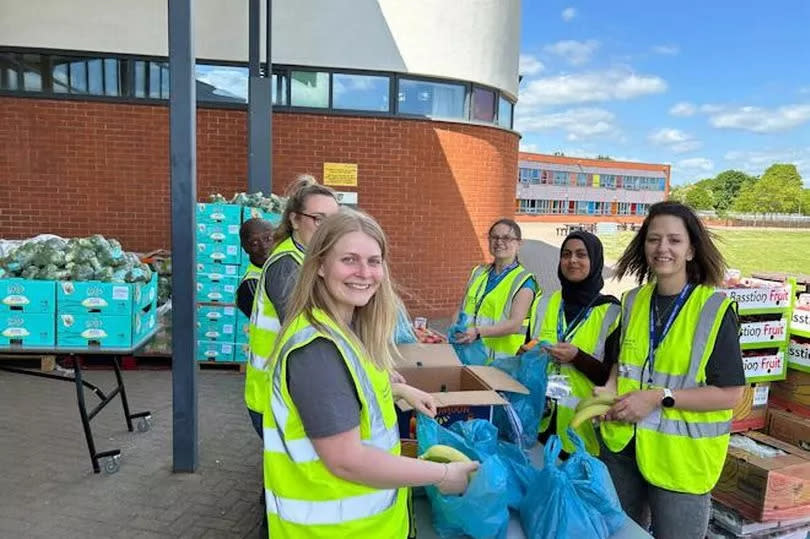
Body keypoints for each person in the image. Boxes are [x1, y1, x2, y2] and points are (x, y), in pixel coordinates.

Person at [262, 208, 479, 537]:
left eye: (374, 261)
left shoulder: (344, 328)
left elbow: (351, 394)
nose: (364, 273)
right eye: (349, 260)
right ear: (320, 264)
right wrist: (444, 476)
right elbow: (346, 460)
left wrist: (401, 390)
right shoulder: (317, 351)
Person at [598, 201, 745, 539]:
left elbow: (730, 394)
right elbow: (624, 361)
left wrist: (658, 398)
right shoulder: (634, 300)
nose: (662, 248)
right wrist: (608, 388)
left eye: (674, 241)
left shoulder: (713, 309)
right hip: (623, 448)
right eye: (653, 239)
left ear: (691, 249)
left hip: (680, 462)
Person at [245, 175, 340, 438]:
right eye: (318, 219)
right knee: (285, 477)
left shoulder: (310, 258)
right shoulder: (286, 265)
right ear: (294, 220)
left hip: (291, 392)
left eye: (333, 221)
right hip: (275, 395)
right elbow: (307, 332)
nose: (327, 229)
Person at [531, 230, 620, 456]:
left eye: (581, 255)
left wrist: (577, 357)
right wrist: (528, 354)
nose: (572, 260)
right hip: (540, 426)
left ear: (595, 261)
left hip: (584, 434)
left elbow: (613, 378)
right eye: (566, 254)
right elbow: (526, 349)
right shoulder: (544, 303)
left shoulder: (611, 312)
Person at [454, 218, 538, 362]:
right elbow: (462, 308)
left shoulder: (524, 281)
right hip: (466, 352)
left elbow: (515, 324)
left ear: (519, 244)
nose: (499, 242)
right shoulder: (478, 272)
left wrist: (478, 332)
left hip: (499, 363)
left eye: (506, 238)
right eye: (495, 237)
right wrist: (453, 330)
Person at [236, 218, 274, 318]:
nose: (264, 246)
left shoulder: (280, 268)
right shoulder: (250, 284)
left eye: (268, 239)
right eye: (255, 243)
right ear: (245, 247)